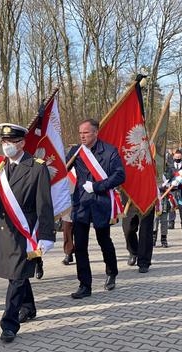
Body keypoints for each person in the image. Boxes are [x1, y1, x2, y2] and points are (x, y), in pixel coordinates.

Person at [0, 123, 55, 343]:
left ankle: (9, 324)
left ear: (22, 143)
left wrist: (46, 234)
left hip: (24, 228)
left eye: (12, 142)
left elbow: (44, 204)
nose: (7, 146)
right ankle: (29, 306)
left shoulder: (36, 167)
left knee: (15, 276)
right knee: (17, 273)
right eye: (4, 142)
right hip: (2, 227)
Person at [67, 119, 125, 299]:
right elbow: (62, 169)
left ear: (95, 133)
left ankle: (111, 271)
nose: (82, 136)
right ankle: (85, 284)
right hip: (81, 204)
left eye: (86, 133)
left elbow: (120, 176)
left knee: (103, 240)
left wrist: (98, 186)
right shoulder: (75, 151)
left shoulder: (109, 151)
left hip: (101, 202)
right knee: (81, 245)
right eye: (80, 133)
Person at [121, 196, 155, 273]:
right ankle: (133, 252)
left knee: (145, 231)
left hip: (147, 197)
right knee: (128, 229)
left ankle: (144, 261)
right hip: (129, 199)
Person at [166, 150, 182, 229]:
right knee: (172, 205)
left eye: (179, 157)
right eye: (176, 157)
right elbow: (166, 176)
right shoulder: (169, 166)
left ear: (181, 157)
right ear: (173, 157)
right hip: (172, 188)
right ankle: (171, 222)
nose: (178, 158)